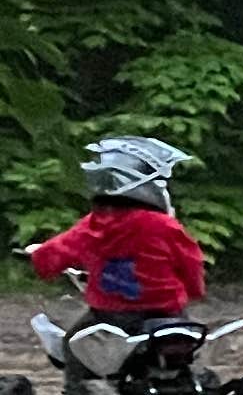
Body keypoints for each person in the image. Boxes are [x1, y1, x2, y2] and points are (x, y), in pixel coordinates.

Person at [28, 136, 208, 335]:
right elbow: (191, 263)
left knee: (73, 347)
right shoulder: (165, 225)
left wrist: (39, 258)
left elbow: (56, 253)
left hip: (109, 316)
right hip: (167, 313)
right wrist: (194, 291)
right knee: (191, 351)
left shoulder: (95, 223)